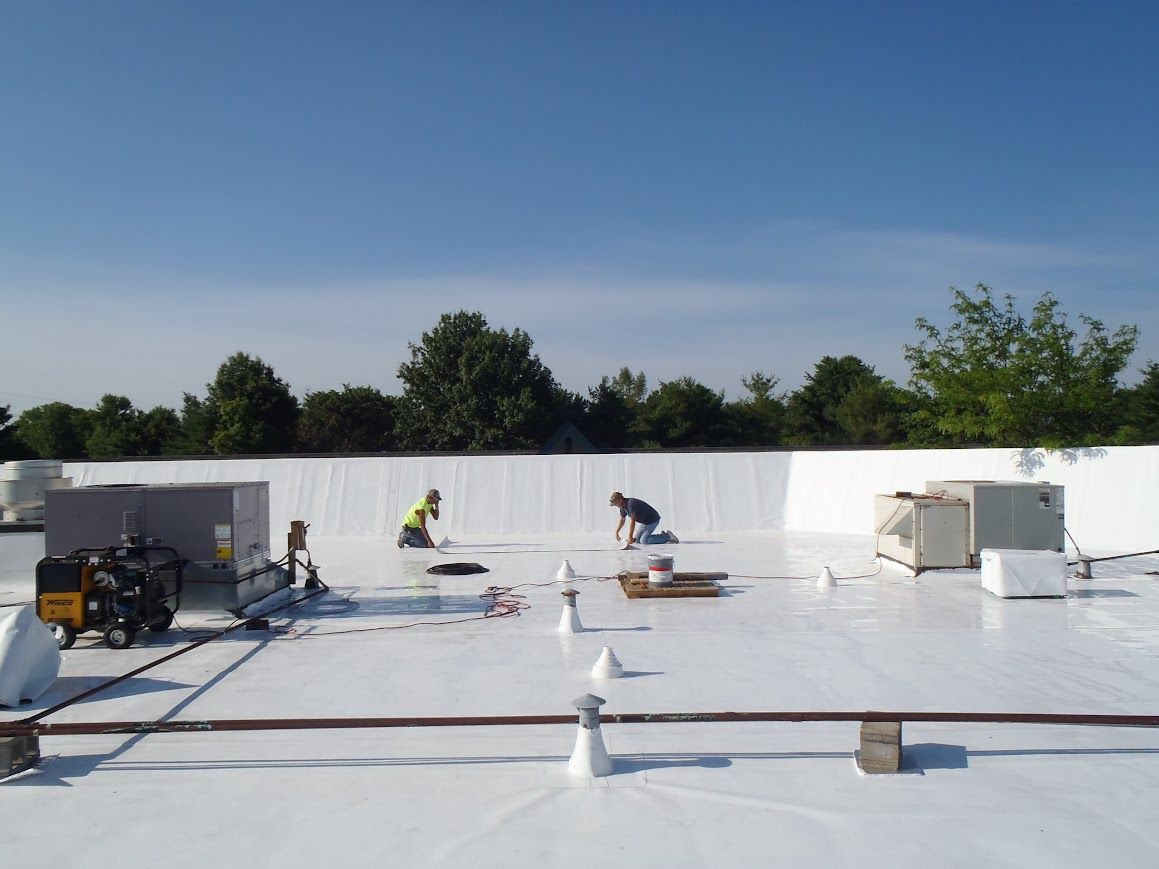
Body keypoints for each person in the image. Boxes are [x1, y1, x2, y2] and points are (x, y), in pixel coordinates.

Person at [609, 492, 678, 545]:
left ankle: (668, 536)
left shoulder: (631, 504)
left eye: (615, 503)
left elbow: (633, 521)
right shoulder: (622, 507)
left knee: (644, 541)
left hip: (652, 520)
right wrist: (617, 532)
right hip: (645, 522)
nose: (615, 505)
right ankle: (661, 536)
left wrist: (630, 536)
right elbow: (622, 520)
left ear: (620, 500)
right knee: (637, 541)